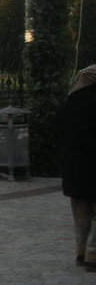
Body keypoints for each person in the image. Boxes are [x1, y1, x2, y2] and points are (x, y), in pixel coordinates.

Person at [57, 64, 96, 271]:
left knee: (81, 215)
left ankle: (81, 253)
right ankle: (93, 254)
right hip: (93, 164)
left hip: (74, 167)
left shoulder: (71, 100)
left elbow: (59, 130)